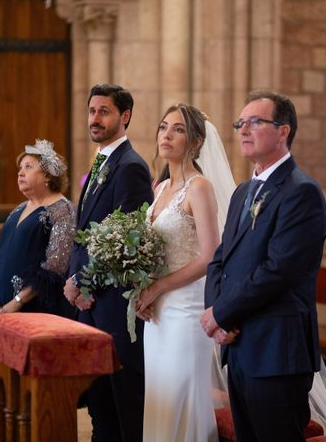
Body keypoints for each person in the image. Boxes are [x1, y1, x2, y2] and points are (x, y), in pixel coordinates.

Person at [201, 90, 326, 441]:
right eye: (240, 123)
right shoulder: (244, 191)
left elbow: (279, 270)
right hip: (240, 346)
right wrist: (216, 312)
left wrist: (224, 314)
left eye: (255, 122)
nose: (243, 129)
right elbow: (220, 258)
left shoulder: (301, 192)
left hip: (276, 349)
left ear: (283, 131)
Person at [63, 84, 154, 442]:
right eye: (92, 111)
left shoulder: (130, 167)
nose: (95, 119)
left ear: (125, 116)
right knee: (100, 408)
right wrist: (74, 280)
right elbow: (85, 232)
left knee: (123, 407)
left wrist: (84, 283)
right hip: (91, 307)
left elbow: (127, 245)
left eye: (104, 111)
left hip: (114, 308)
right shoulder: (102, 161)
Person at [135, 104, 229, 441]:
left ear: (197, 141)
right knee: (159, 398)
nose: (166, 135)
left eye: (177, 129)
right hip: (156, 311)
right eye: (163, 128)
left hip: (186, 309)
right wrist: (142, 290)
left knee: (180, 399)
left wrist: (159, 287)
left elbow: (210, 255)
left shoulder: (199, 187)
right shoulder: (159, 190)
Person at [0, 139, 75, 316]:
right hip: (3, 308)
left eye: (28, 167)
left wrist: (17, 302)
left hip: (37, 311)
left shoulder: (63, 211)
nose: (20, 173)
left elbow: (55, 268)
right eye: (20, 168)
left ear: (47, 175)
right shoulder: (19, 208)